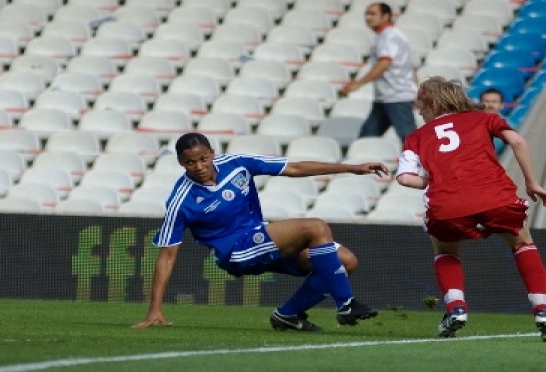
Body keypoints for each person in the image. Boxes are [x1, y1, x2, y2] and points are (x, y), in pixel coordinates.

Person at [133, 132, 389, 331]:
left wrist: (352, 168)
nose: (199, 166)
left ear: (212, 153)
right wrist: (154, 309)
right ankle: (346, 305)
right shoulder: (181, 199)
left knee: (346, 262)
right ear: (180, 162)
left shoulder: (237, 164)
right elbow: (167, 257)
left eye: (203, 159)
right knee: (316, 227)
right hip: (235, 252)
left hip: (259, 235)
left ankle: (288, 315)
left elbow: (295, 168)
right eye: (190, 162)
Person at [395, 76, 546, 341]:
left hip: (448, 205)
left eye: (422, 104)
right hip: (495, 197)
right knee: (522, 242)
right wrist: (532, 183)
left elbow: (405, 178)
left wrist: (438, 180)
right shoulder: (484, 118)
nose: (419, 110)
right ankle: (543, 310)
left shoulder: (416, 137)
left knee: (444, 248)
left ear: (434, 104)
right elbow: (519, 142)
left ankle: (455, 308)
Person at [340, 2, 417, 143]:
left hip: (397, 96)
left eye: (373, 14)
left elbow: (384, 64)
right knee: (366, 138)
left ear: (386, 16)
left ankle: (428, 165)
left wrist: (358, 84)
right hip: (385, 97)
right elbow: (410, 67)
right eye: (367, 14)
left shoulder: (389, 36)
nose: (368, 18)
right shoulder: (387, 36)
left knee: (410, 141)